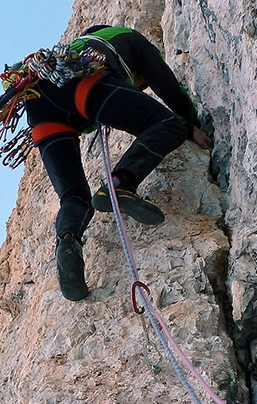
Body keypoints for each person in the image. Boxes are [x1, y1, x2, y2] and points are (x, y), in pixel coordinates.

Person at [22, 25, 213, 301]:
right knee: (169, 124)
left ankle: (67, 241)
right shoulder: (125, 36)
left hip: (40, 109)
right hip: (83, 86)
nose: (139, 87)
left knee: (73, 197)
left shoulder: (71, 53)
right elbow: (164, 81)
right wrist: (190, 121)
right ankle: (119, 184)